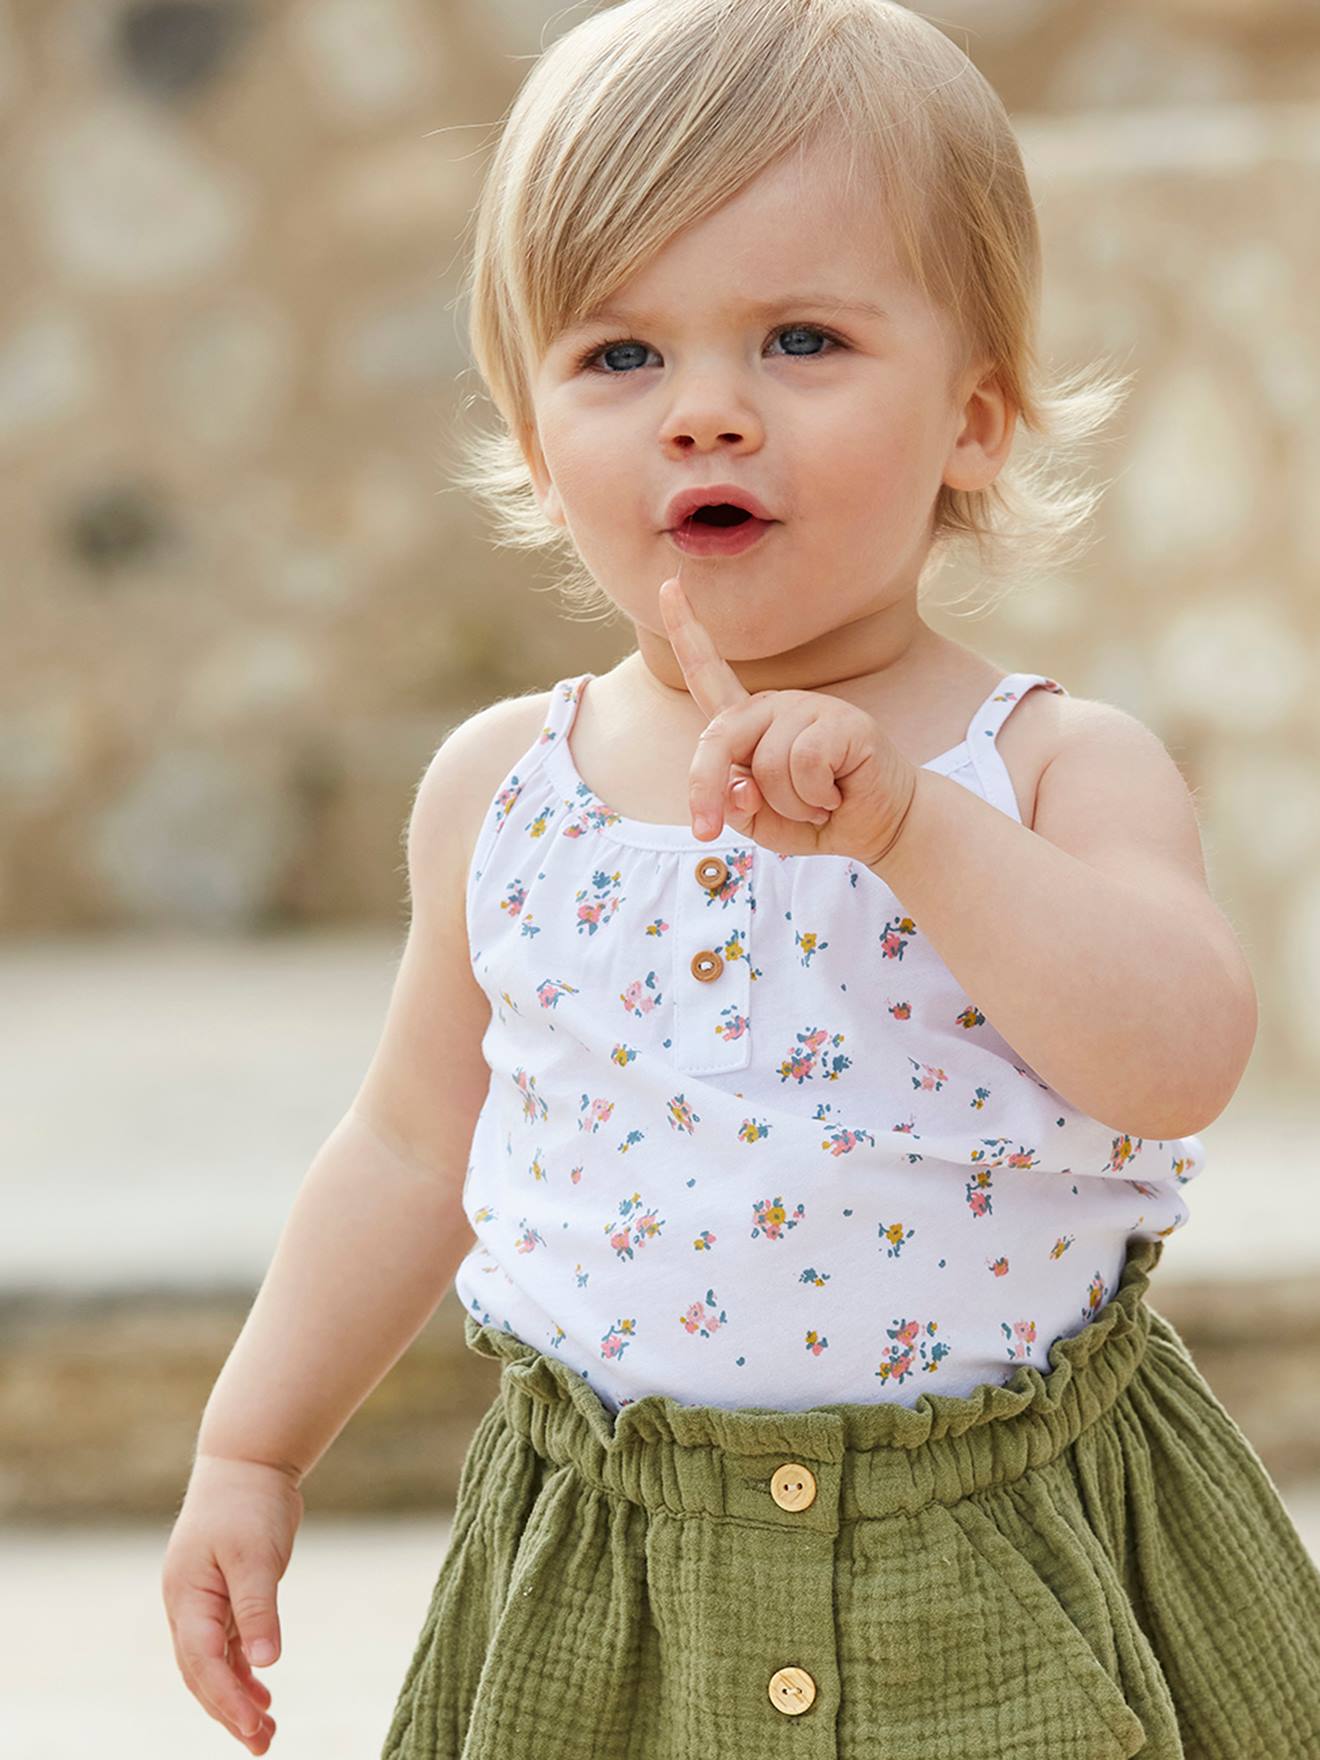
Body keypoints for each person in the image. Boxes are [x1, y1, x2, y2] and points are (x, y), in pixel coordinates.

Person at [160, 1, 1320, 1755]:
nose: (705, 412)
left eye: (798, 338)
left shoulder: (1046, 769)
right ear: (541, 449)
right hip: (616, 1574)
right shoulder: (506, 793)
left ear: (976, 422)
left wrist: (915, 838)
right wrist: (249, 1447)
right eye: (620, 356)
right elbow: (411, 1145)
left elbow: (1177, 1058)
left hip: (999, 1553)